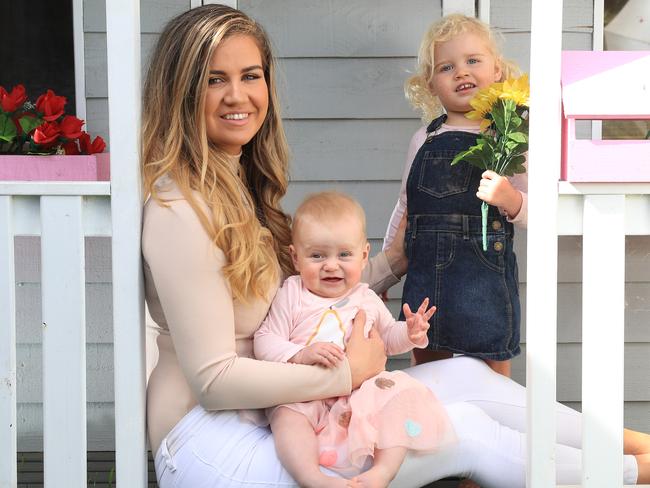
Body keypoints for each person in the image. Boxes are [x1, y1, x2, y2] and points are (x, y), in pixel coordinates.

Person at [141, 5, 650, 487]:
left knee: (467, 380)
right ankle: (632, 475)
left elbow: (307, 295)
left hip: (291, 410)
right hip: (211, 442)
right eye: (214, 79)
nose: (238, 96)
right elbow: (215, 380)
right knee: (464, 429)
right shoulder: (179, 209)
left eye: (250, 75)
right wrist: (348, 373)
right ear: (181, 91)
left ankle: (630, 448)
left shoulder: (239, 187)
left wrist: (396, 258)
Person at [253, 191, 454, 488]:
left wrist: (410, 333)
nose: (331, 265)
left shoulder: (366, 298)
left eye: (344, 255)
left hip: (360, 393)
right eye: (317, 255)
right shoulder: (293, 293)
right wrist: (300, 353)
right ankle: (311, 477)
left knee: (398, 398)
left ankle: (382, 471)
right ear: (296, 258)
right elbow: (265, 339)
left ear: (363, 256)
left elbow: (388, 338)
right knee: (286, 419)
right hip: (304, 393)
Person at [383, 14, 527, 377]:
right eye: (447, 67)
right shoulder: (425, 139)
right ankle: (435, 430)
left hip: (486, 280)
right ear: (430, 85)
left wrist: (512, 199)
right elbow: (405, 207)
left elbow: (536, 205)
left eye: (473, 61)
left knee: (494, 372)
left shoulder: (508, 137)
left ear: (497, 70)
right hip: (427, 279)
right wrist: (384, 275)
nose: (461, 72)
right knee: (428, 369)